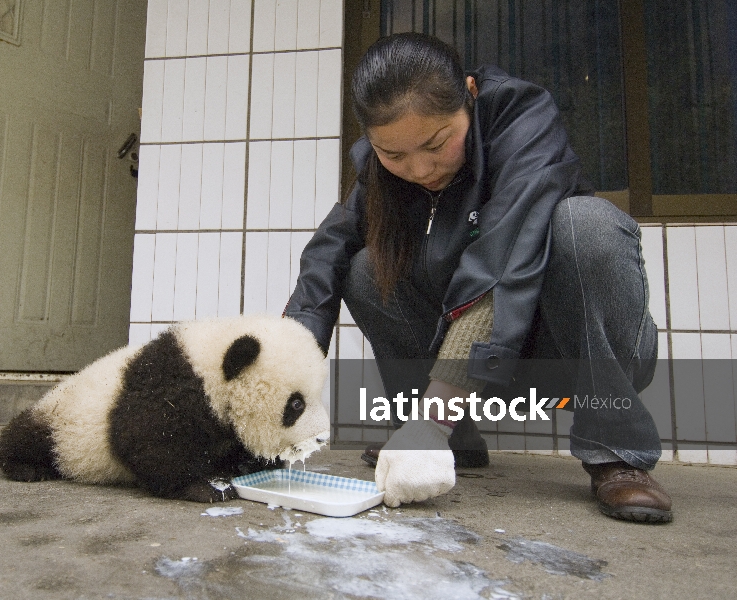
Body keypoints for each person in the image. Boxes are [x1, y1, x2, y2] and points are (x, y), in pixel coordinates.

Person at [284, 32, 672, 523]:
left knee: (584, 224)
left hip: (571, 357)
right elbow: (326, 255)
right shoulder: (386, 167)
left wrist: (433, 418)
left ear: (468, 93)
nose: (420, 169)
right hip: (490, 377)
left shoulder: (522, 120)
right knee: (365, 270)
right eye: (394, 156)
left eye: (437, 143)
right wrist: (287, 368)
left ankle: (617, 454)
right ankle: (452, 442)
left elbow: (502, 266)